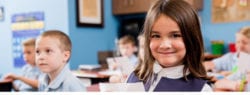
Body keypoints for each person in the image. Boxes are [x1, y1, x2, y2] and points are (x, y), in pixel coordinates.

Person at [127, 0, 212, 91]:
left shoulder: (202, 89)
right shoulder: (134, 77)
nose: (164, 45)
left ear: (192, 39)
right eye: (156, 36)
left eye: (175, 35)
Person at [213, 26, 250, 91]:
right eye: (238, 42)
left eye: (245, 43)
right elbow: (218, 84)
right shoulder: (244, 59)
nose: (240, 46)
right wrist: (233, 83)